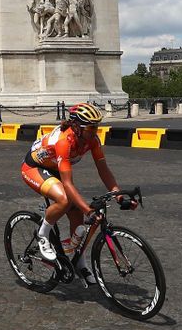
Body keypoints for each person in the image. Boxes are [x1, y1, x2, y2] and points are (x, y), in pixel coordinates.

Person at [20, 103, 133, 284]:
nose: (95, 131)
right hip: (34, 168)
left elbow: (103, 169)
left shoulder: (92, 140)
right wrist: (89, 210)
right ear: (77, 128)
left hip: (55, 168)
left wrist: (117, 194)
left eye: (97, 126)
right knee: (64, 200)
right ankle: (42, 235)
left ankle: (79, 263)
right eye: (91, 127)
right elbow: (68, 183)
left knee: (77, 215)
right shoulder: (64, 141)